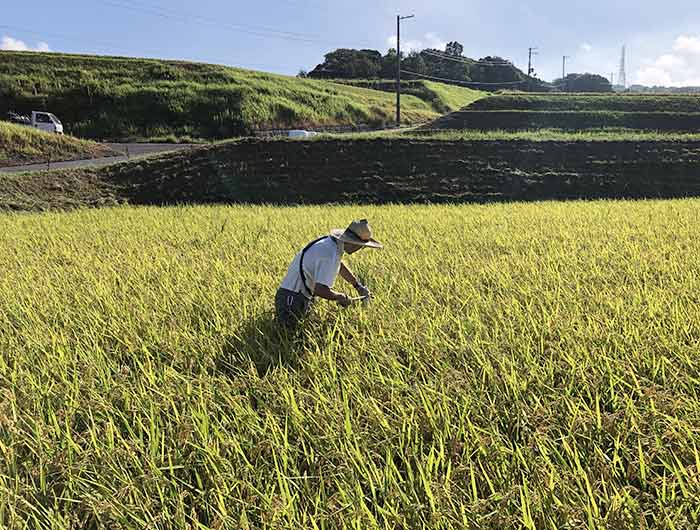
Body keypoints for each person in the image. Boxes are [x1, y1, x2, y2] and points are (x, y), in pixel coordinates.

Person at [275, 219, 383, 327]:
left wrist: (358, 286)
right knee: (289, 337)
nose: (360, 249)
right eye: (361, 246)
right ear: (353, 242)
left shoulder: (331, 244)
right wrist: (341, 297)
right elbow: (320, 289)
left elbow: (340, 266)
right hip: (292, 299)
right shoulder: (329, 254)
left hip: (296, 295)